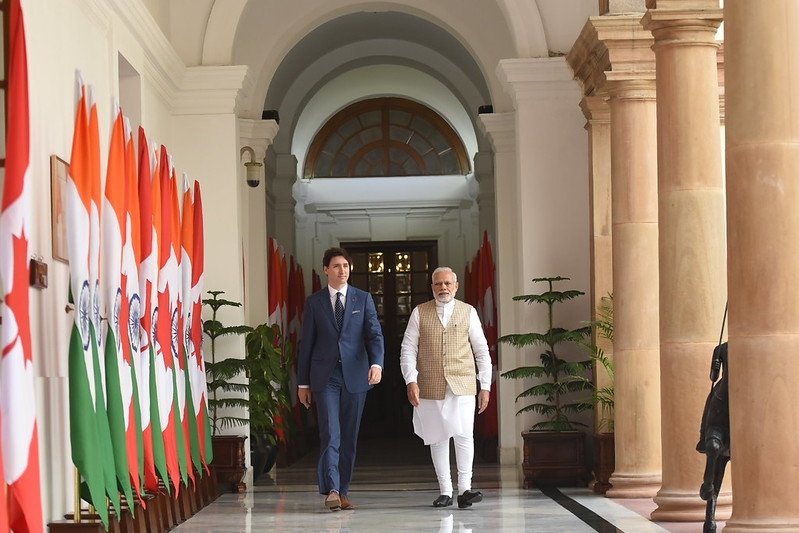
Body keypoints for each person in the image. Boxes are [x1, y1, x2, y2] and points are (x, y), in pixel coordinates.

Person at [298, 247, 384, 511]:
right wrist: (303, 383)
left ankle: (342, 489)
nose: (342, 270)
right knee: (330, 433)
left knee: (348, 435)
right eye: (336, 266)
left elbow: (374, 335)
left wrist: (377, 363)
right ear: (326, 269)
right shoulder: (315, 302)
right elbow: (306, 344)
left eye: (345, 266)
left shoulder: (363, 298)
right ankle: (332, 489)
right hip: (325, 378)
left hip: (356, 376)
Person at [400, 266, 491, 509]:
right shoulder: (420, 312)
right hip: (429, 384)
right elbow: (408, 349)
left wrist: (485, 386)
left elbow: (481, 350)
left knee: (464, 435)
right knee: (437, 438)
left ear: (456, 286)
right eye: (438, 284)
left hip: (462, 382)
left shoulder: (468, 312)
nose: (443, 288)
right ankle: (445, 491)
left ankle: (465, 490)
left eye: (448, 283)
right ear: (432, 287)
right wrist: (411, 380)